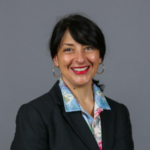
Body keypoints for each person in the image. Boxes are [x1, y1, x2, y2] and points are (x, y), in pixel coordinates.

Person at [11, 14, 134, 150]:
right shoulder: (35, 114)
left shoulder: (119, 113)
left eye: (88, 48)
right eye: (69, 49)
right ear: (56, 59)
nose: (80, 59)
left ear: (100, 56)